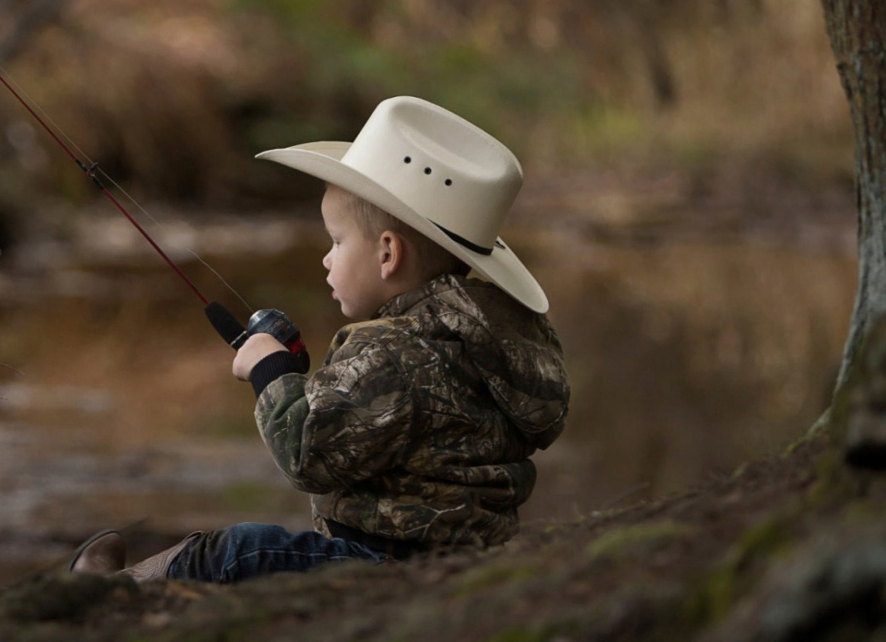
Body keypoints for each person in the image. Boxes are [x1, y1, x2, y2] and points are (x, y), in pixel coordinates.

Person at [70, 96, 570, 583]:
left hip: (389, 566)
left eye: (336, 241)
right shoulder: (484, 339)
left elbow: (306, 453)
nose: (327, 259)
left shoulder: (392, 354)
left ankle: (107, 596)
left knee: (237, 550)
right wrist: (311, 383)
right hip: (464, 561)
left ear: (388, 255)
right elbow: (379, 423)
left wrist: (272, 372)